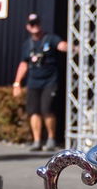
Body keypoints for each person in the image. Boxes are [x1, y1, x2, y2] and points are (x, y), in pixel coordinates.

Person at [11, 12, 67, 150]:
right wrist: (17, 83)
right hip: (33, 82)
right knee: (33, 111)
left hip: (50, 81)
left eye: (36, 23)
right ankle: (37, 141)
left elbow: (61, 45)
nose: (34, 26)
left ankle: (51, 139)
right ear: (28, 27)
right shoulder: (27, 44)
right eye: (32, 24)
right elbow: (23, 64)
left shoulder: (50, 38)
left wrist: (66, 46)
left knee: (47, 108)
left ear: (40, 24)